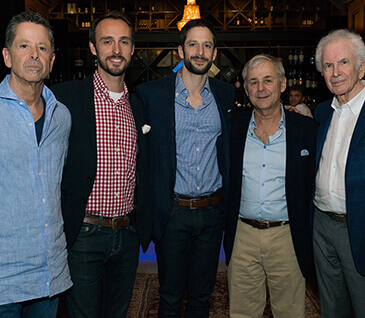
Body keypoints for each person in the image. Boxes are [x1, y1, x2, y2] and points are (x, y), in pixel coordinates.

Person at [52, 11, 152, 318]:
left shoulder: (137, 106)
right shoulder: (66, 97)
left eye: (124, 41)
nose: (116, 50)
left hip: (126, 235)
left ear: (133, 48)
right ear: (94, 48)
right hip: (84, 234)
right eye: (107, 41)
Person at [136, 19, 234, 317]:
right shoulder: (151, 95)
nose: (200, 51)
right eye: (193, 44)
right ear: (180, 50)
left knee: (202, 297)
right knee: (170, 297)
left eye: (207, 45)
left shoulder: (226, 95)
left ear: (215, 53)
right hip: (173, 213)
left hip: (212, 211)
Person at [224, 54, 318, 318]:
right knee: (242, 312)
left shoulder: (307, 130)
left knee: (289, 312)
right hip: (242, 236)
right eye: (253, 82)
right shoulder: (233, 127)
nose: (261, 88)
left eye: (268, 80)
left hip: (286, 237)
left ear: (283, 84)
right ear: (245, 88)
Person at [0, 12, 71, 317]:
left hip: (49, 272)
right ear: (7, 56)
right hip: (4, 277)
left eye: (42, 48)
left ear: (52, 60)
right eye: (24, 46)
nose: (33, 55)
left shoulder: (62, 117)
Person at [313, 29, 365, 318]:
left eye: (343, 62)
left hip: (359, 227)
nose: (335, 72)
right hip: (321, 226)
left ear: (362, 66)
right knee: (332, 309)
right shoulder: (323, 112)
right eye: (328, 66)